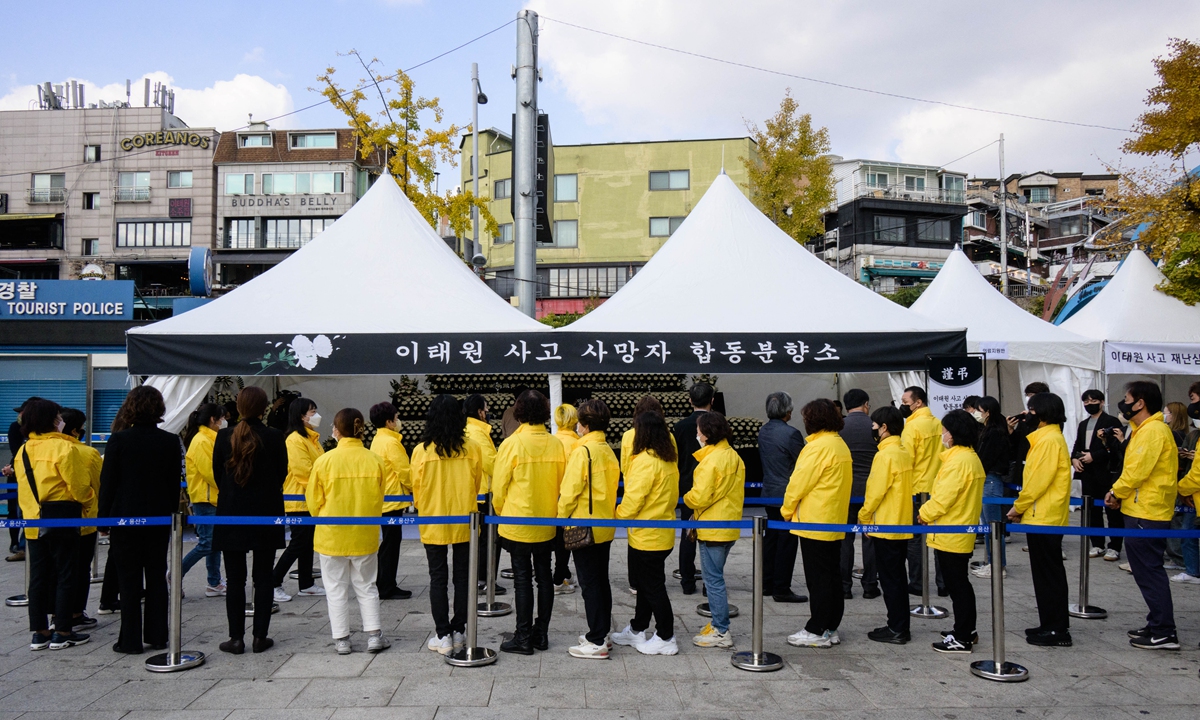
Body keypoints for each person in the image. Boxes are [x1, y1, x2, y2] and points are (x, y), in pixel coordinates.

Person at [98, 386, 182, 654]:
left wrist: (103, 520)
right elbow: (173, 486)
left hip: (125, 517)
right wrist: (171, 514)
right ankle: (158, 634)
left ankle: (130, 639)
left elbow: (108, 484)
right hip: (158, 517)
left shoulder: (118, 441)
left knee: (128, 579)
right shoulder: (169, 441)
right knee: (157, 575)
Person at [307, 408, 390, 655]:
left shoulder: (324, 461)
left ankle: (341, 639)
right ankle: (374, 635)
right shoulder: (374, 459)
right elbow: (380, 496)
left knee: (335, 589)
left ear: (336, 431)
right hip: (364, 533)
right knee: (367, 586)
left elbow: (313, 503)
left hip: (332, 535)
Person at [1105, 381, 1180, 650]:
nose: (1124, 404)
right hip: (1142, 508)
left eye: (1127, 399)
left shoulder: (1152, 431)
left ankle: (1164, 631)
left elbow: (1137, 471)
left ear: (1140, 403)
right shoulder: (1145, 430)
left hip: (1146, 511)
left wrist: (1116, 491)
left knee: (1149, 571)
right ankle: (1157, 622)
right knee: (1146, 570)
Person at [211, 387, 287, 654]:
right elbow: (281, 474)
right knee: (263, 577)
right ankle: (260, 637)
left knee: (234, 579)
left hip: (231, 513)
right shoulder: (274, 436)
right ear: (264, 407)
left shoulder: (223, 436)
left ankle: (235, 638)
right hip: (265, 512)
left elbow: (218, 475)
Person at [492, 390, 567, 654]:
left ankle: (523, 637)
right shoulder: (556, 444)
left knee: (522, 579)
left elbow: (498, 488)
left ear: (519, 411)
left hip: (518, 521)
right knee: (544, 577)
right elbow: (562, 484)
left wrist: (501, 512)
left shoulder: (511, 444)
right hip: (547, 521)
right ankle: (541, 634)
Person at [16, 399, 91, 650]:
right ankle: (62, 630)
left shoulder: (23, 450)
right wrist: (90, 501)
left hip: (33, 520)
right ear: (51, 420)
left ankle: (39, 631)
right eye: (58, 417)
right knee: (66, 573)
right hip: (62, 514)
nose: (61, 421)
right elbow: (79, 488)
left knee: (38, 577)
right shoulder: (63, 448)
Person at [412, 395, 484, 655]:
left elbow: (417, 492)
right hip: (465, 520)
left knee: (437, 578)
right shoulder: (472, 448)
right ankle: (460, 630)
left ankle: (442, 634)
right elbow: (476, 485)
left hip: (433, 520)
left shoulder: (421, 450)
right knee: (464, 578)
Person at [783, 399, 852, 649]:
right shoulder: (838, 444)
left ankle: (817, 628)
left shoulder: (817, 447)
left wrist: (787, 509)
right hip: (833, 519)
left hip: (815, 519)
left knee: (818, 578)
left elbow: (799, 482)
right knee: (832, 575)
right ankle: (831, 626)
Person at [612, 411, 681, 655]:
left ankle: (666, 635)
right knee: (646, 584)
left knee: (653, 587)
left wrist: (616, 514)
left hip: (647, 534)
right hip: (661, 531)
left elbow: (633, 499)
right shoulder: (668, 459)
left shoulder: (644, 461)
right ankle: (638, 627)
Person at [1006, 392, 1072, 646]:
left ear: (1042, 413)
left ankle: (1056, 628)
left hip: (1045, 515)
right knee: (1045, 574)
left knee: (1049, 574)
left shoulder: (1048, 441)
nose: (1027, 415)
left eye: (1031, 411)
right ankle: (1050, 623)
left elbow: (1036, 483)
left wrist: (1018, 506)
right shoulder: (1046, 439)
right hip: (1042, 515)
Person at [919, 409, 985, 654]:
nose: (943, 435)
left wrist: (924, 513)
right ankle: (965, 628)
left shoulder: (959, 461)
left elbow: (945, 497)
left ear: (955, 433)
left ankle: (963, 637)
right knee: (959, 584)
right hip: (957, 528)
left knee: (957, 585)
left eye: (946, 430)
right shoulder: (966, 457)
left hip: (952, 530)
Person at [560, 399, 621, 659]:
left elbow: (569, 491)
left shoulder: (582, 452)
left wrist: (560, 519)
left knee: (590, 583)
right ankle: (602, 632)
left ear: (583, 426)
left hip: (584, 526)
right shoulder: (607, 449)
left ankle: (596, 639)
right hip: (605, 524)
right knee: (601, 581)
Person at [685, 412, 746, 649]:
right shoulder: (733, 456)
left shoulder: (710, 462)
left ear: (708, 434)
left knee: (714, 581)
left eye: (700, 431)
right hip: (729, 525)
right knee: (715, 578)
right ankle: (718, 624)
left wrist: (687, 497)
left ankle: (721, 630)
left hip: (712, 527)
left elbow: (699, 497)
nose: (697, 435)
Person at [861, 406, 914, 644]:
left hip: (885, 524)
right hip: (901, 522)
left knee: (891, 579)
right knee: (897, 578)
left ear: (884, 427)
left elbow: (875, 492)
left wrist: (864, 517)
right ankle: (898, 624)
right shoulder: (902, 451)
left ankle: (897, 628)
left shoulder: (885, 455)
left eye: (874, 425)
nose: (872, 429)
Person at [272, 398, 326, 602]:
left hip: (310, 499)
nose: (316, 415)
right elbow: (305, 472)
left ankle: (307, 583)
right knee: (298, 542)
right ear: (300, 416)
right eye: (312, 412)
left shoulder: (311, 438)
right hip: (299, 499)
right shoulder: (294, 440)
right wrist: (325, 489)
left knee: (307, 542)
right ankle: (274, 581)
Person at [758, 391, 807, 603]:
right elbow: (803, 461)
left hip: (769, 491)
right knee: (786, 542)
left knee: (771, 540)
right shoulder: (792, 434)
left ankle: (767, 583)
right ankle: (781, 587)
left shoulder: (764, 431)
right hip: (786, 493)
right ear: (787, 411)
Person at [901, 386, 944, 596]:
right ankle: (943, 583)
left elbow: (906, 459)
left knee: (915, 539)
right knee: (939, 536)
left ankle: (917, 582)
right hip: (937, 486)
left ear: (918, 402)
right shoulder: (938, 423)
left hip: (917, 486)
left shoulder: (912, 426)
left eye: (906, 402)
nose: (903, 405)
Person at [60, 408, 101, 630]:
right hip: (83, 521)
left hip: (46, 520)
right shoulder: (87, 453)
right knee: (79, 568)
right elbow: (96, 486)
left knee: (58, 570)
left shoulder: (38, 449)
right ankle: (75, 612)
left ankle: (57, 614)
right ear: (77, 430)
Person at [1072, 390, 1125, 562]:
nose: (1089, 404)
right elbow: (1077, 444)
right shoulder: (1083, 424)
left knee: (1112, 510)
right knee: (1091, 509)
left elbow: (1115, 447)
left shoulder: (1111, 421)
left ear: (1102, 402)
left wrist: (1094, 456)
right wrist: (1074, 459)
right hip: (1087, 472)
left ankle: (1115, 546)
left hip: (1106, 471)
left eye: (1093, 400)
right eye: (1086, 401)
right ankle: (1097, 543)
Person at [671, 382, 713, 594]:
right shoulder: (718, 423)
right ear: (712, 401)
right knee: (711, 536)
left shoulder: (679, 427)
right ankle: (709, 584)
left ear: (689, 400)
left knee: (687, 534)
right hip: (713, 486)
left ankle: (687, 582)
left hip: (687, 486)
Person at [368, 402, 413, 600]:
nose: (398, 421)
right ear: (388, 422)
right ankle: (386, 585)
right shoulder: (391, 442)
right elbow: (404, 471)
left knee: (388, 543)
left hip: (383, 497)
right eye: (396, 418)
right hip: (392, 498)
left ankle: (384, 582)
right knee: (390, 544)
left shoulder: (378, 439)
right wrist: (416, 489)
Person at [181, 403, 226, 597]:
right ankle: (176, 573)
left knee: (215, 543)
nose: (224, 421)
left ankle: (214, 582)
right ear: (212, 420)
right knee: (207, 544)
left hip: (212, 498)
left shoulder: (210, 439)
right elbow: (211, 472)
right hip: (206, 499)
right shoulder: (201, 441)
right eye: (222, 418)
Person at [839, 389, 879, 600]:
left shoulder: (839, 428)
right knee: (870, 537)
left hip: (845, 490)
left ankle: (844, 586)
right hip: (871, 490)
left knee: (844, 539)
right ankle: (870, 585)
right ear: (865, 404)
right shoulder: (875, 425)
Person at [463, 394, 503, 594]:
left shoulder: (471, 430)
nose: (488, 412)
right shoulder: (477, 433)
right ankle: (485, 580)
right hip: (484, 493)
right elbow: (491, 463)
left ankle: (482, 578)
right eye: (486, 408)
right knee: (488, 540)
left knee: (481, 539)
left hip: (476, 492)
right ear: (479, 411)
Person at [972, 396, 1012, 578]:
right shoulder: (987, 430)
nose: (977, 413)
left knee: (993, 527)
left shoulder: (995, 432)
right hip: (987, 480)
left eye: (979, 410)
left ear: (988, 412)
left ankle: (998, 565)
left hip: (991, 480)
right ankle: (991, 562)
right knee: (988, 526)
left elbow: (985, 459)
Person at [552, 403, 581, 595]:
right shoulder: (578, 444)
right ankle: (559, 577)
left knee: (556, 539)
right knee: (566, 541)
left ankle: (563, 573)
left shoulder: (552, 441)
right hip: (569, 497)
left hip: (551, 495)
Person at [1163, 401, 1192, 573]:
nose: (1164, 415)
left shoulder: (1174, 434)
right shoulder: (1184, 434)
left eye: (1166, 412)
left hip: (1177, 482)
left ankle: (1177, 557)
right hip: (1179, 481)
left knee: (1175, 520)